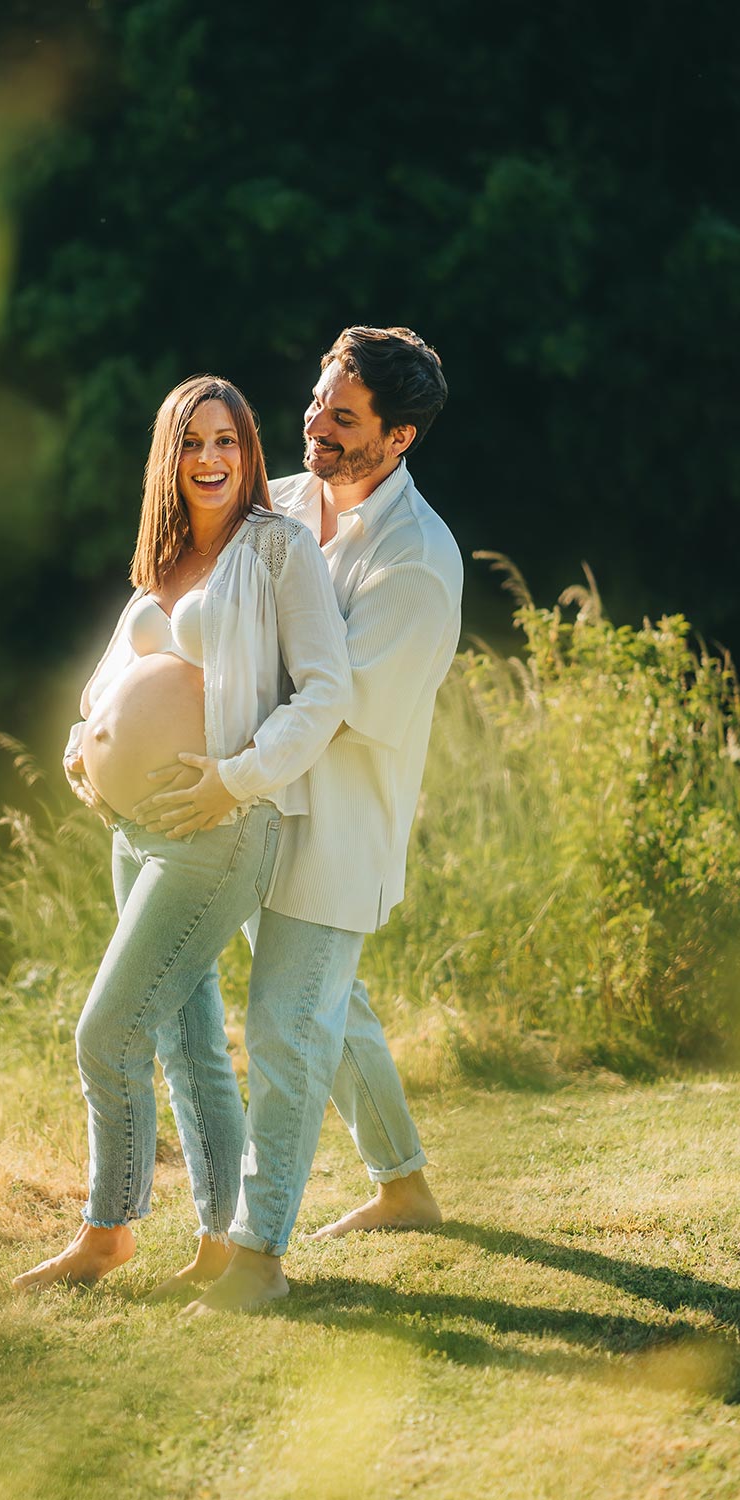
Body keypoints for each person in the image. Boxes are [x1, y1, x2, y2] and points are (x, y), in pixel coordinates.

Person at [138, 327, 462, 1313]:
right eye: (318, 400)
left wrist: (225, 750)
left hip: (335, 830)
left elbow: (324, 703)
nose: (314, 424)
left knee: (286, 1028)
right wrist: (114, 712)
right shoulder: (273, 503)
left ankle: (258, 1258)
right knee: (333, 1011)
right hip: (249, 809)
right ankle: (403, 1185)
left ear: (398, 437)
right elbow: (174, 602)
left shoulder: (416, 565)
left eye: (345, 416)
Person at [12, 375, 351, 1292]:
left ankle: (108, 1229)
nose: (211, 458)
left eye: (228, 441)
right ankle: (212, 1243)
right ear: (170, 456)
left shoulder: (279, 549)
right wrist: (87, 745)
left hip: (222, 827)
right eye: (193, 442)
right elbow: (107, 682)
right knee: (183, 1038)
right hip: (137, 832)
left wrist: (233, 780)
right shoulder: (161, 560)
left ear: (251, 453)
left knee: (107, 1031)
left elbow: (325, 692)